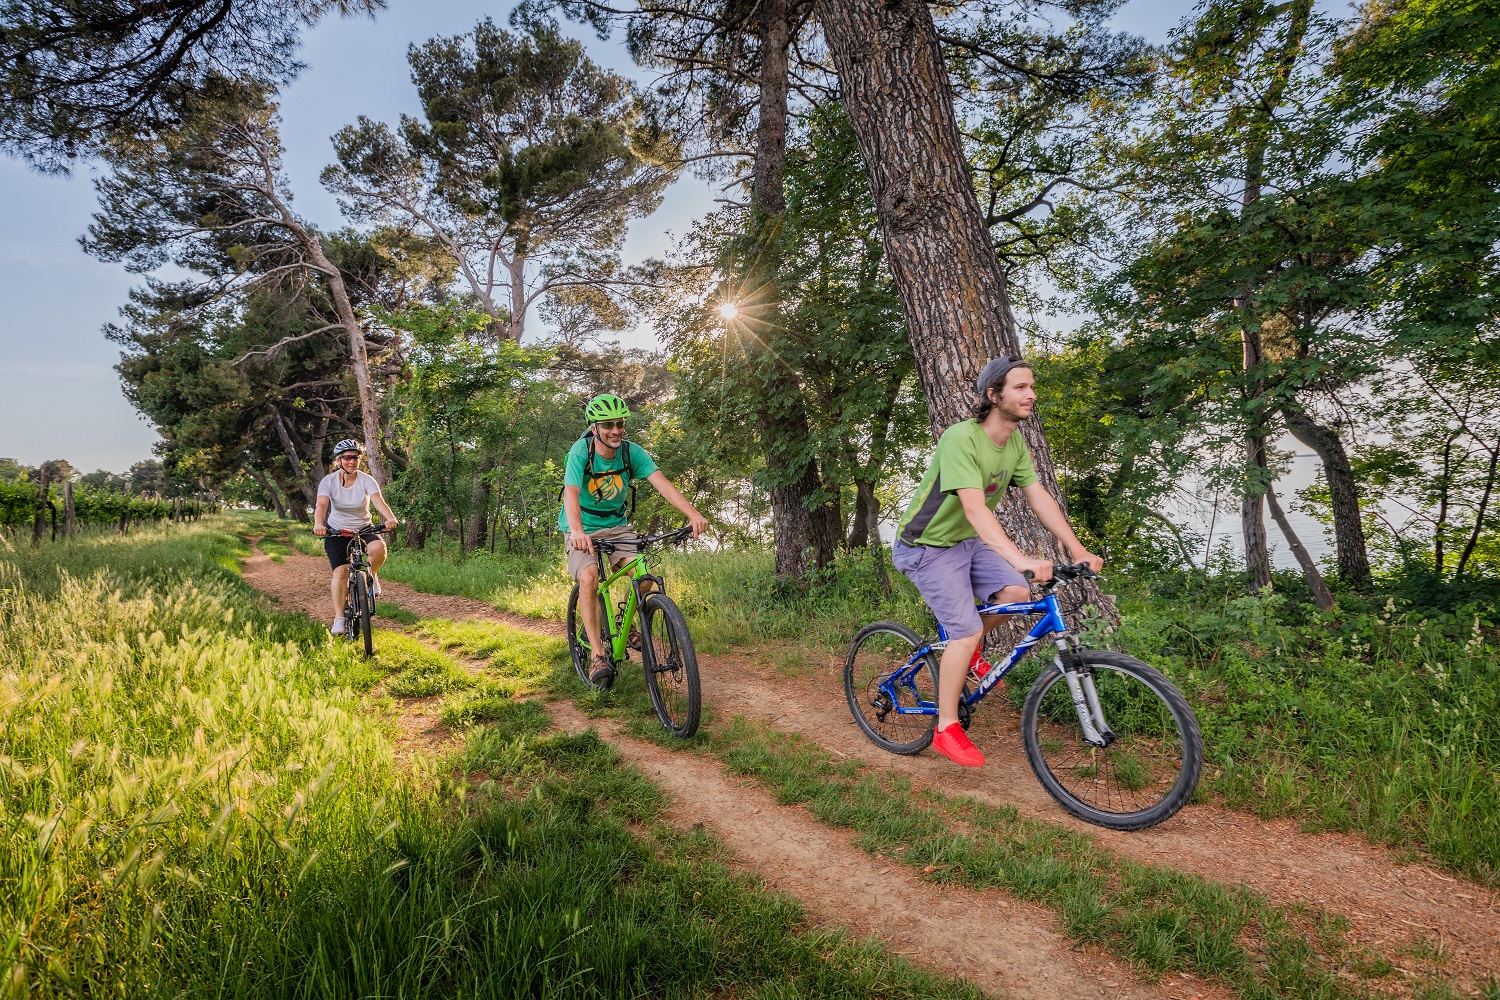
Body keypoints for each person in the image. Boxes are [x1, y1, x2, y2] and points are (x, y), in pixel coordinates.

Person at [893, 357, 1104, 768]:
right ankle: (946, 728)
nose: (1031, 395)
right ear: (994, 395)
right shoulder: (960, 439)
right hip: (925, 547)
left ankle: (966, 650)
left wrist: (1076, 549)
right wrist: (1020, 556)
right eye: (1021, 388)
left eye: (1032, 387)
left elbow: (1039, 497)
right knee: (967, 630)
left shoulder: (1016, 444)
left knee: (1016, 591)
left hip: (965, 543)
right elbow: (975, 509)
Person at [561, 393, 709, 685]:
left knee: (644, 577)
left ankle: (623, 627)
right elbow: (571, 493)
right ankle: (597, 657)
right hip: (581, 526)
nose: (616, 430)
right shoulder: (580, 452)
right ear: (595, 429)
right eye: (608, 425)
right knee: (589, 578)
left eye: (620, 423)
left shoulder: (631, 453)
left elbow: (662, 484)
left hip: (616, 526)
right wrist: (577, 531)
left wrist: (693, 515)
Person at [313, 439, 398, 635]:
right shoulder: (328, 481)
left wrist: (390, 518)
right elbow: (322, 505)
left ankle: (372, 575)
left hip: (363, 527)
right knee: (341, 572)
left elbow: (378, 501)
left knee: (379, 549)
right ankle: (339, 618)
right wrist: (319, 524)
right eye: (347, 457)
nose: (352, 461)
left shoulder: (366, 480)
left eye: (356, 457)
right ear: (338, 461)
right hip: (337, 531)